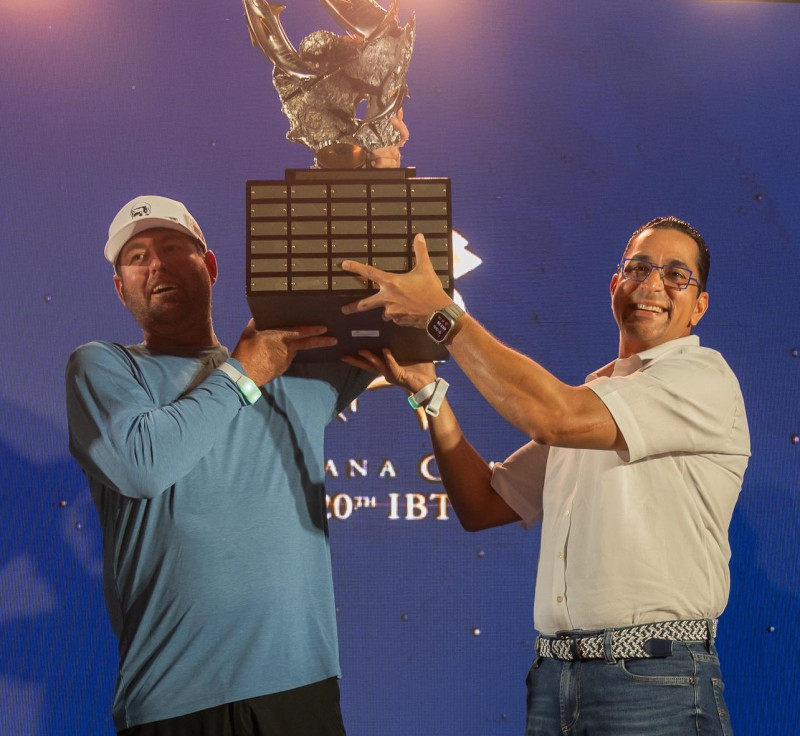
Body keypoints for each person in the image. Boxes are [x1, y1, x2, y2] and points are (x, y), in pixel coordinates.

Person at [339, 217, 750, 735]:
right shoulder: (599, 401)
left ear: (700, 306)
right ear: (614, 287)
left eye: (676, 276)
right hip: (555, 681)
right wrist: (429, 393)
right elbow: (483, 504)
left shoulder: (701, 379)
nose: (651, 286)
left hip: (654, 683)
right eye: (638, 268)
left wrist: (442, 317)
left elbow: (551, 415)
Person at [65, 124, 407, 735]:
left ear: (211, 264)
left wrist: (381, 162)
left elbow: (388, 291)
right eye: (136, 258)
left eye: (173, 247)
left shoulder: (293, 357)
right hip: (173, 697)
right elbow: (141, 465)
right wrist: (244, 373)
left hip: (299, 686)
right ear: (121, 288)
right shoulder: (104, 366)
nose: (156, 264)